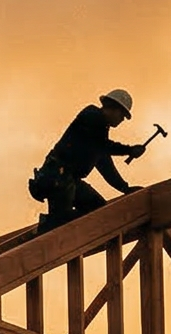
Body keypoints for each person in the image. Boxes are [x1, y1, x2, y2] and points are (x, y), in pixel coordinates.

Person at [29, 88, 149, 232]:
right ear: (114, 109)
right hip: (57, 177)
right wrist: (129, 150)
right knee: (60, 227)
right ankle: (47, 227)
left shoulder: (98, 133)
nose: (122, 120)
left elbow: (105, 165)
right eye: (122, 115)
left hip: (68, 179)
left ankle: (51, 224)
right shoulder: (92, 116)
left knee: (97, 210)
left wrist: (125, 188)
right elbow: (103, 146)